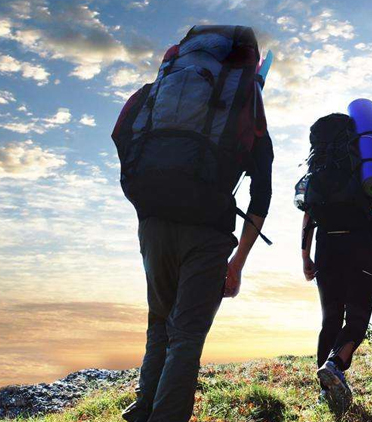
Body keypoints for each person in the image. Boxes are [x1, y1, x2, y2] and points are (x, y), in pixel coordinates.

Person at [113, 26, 273, 422]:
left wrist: (149, 204)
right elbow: (262, 193)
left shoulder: (163, 86)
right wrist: (237, 262)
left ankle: (142, 410)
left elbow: (122, 135)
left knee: (159, 323)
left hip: (153, 221)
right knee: (186, 335)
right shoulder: (247, 102)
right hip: (207, 229)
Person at [297, 113, 372, 411]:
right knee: (356, 319)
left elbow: (308, 215)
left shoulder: (319, 167)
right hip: (359, 246)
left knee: (330, 319)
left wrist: (305, 256)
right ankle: (335, 364)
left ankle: (324, 393)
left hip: (326, 245)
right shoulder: (365, 166)